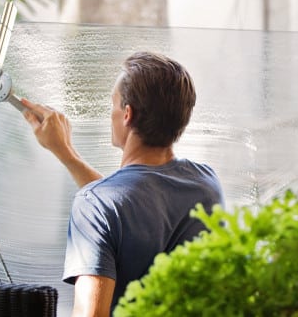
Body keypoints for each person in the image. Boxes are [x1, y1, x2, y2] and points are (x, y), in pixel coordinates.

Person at [21, 51, 224, 316]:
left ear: (127, 114)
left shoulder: (96, 204)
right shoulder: (206, 184)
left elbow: (90, 315)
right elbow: (129, 205)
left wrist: (76, 170)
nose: (111, 114)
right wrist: (67, 155)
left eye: (113, 104)